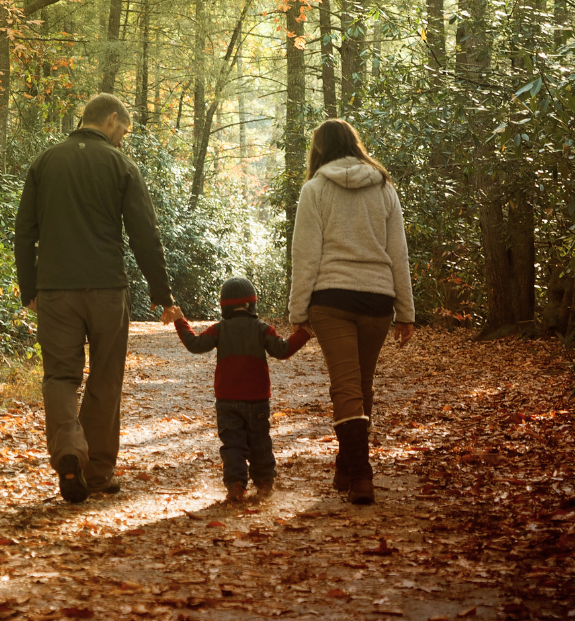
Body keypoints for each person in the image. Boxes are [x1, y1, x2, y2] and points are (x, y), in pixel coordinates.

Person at [15, 94, 183, 504]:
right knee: (105, 378)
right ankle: (98, 473)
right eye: (123, 131)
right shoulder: (121, 165)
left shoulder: (45, 162)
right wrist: (163, 295)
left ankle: (70, 450)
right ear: (110, 120)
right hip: (108, 289)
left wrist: (29, 289)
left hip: (55, 291)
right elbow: (145, 234)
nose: (123, 140)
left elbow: (24, 230)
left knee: (60, 377)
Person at [288, 119, 415, 505]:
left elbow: (305, 255)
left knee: (348, 385)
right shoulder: (383, 187)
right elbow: (398, 253)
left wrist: (298, 310)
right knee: (360, 384)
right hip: (377, 299)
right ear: (354, 144)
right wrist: (406, 311)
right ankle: (349, 466)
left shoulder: (315, 189)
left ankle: (360, 473)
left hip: (331, 300)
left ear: (321, 149)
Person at [174, 277, 310, 502]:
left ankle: (236, 486)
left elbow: (195, 344)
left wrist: (180, 320)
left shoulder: (219, 329)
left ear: (224, 306)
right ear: (252, 304)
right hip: (257, 400)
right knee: (260, 443)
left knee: (233, 445)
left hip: (227, 401)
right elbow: (283, 350)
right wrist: (305, 332)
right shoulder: (263, 329)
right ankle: (265, 483)